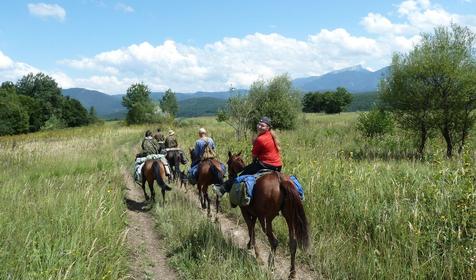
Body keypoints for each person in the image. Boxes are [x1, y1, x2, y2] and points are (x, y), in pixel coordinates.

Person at [214, 116, 282, 197]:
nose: (259, 126)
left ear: (268, 128)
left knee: (241, 176)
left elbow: (254, 156)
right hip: (278, 166)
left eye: (262, 125)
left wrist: (253, 163)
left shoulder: (260, 139)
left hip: (265, 164)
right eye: (259, 124)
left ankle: (222, 189)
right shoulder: (271, 135)